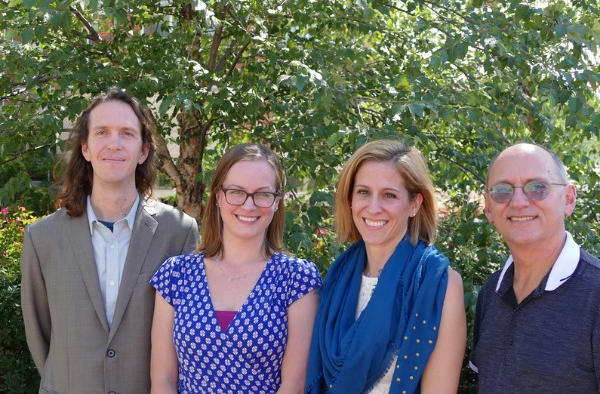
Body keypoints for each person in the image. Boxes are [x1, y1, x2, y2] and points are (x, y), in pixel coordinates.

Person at [20, 88, 199, 394]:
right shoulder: (42, 238)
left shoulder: (179, 232)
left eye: (126, 133)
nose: (114, 143)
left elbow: (185, 336)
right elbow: (40, 336)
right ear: (86, 148)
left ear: (143, 151)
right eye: (102, 132)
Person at [150, 142, 322, 393]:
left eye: (263, 194)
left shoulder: (297, 279)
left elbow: (294, 386)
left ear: (276, 202)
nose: (249, 205)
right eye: (237, 191)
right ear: (219, 196)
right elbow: (163, 379)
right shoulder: (176, 275)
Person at [306, 139, 466, 394]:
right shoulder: (338, 277)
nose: (373, 207)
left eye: (389, 195)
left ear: (414, 204)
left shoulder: (438, 282)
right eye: (363, 192)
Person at [470, 143, 600, 392]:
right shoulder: (490, 293)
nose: (518, 202)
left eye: (538, 187)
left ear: (569, 199)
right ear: (488, 207)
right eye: (502, 190)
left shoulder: (596, 296)